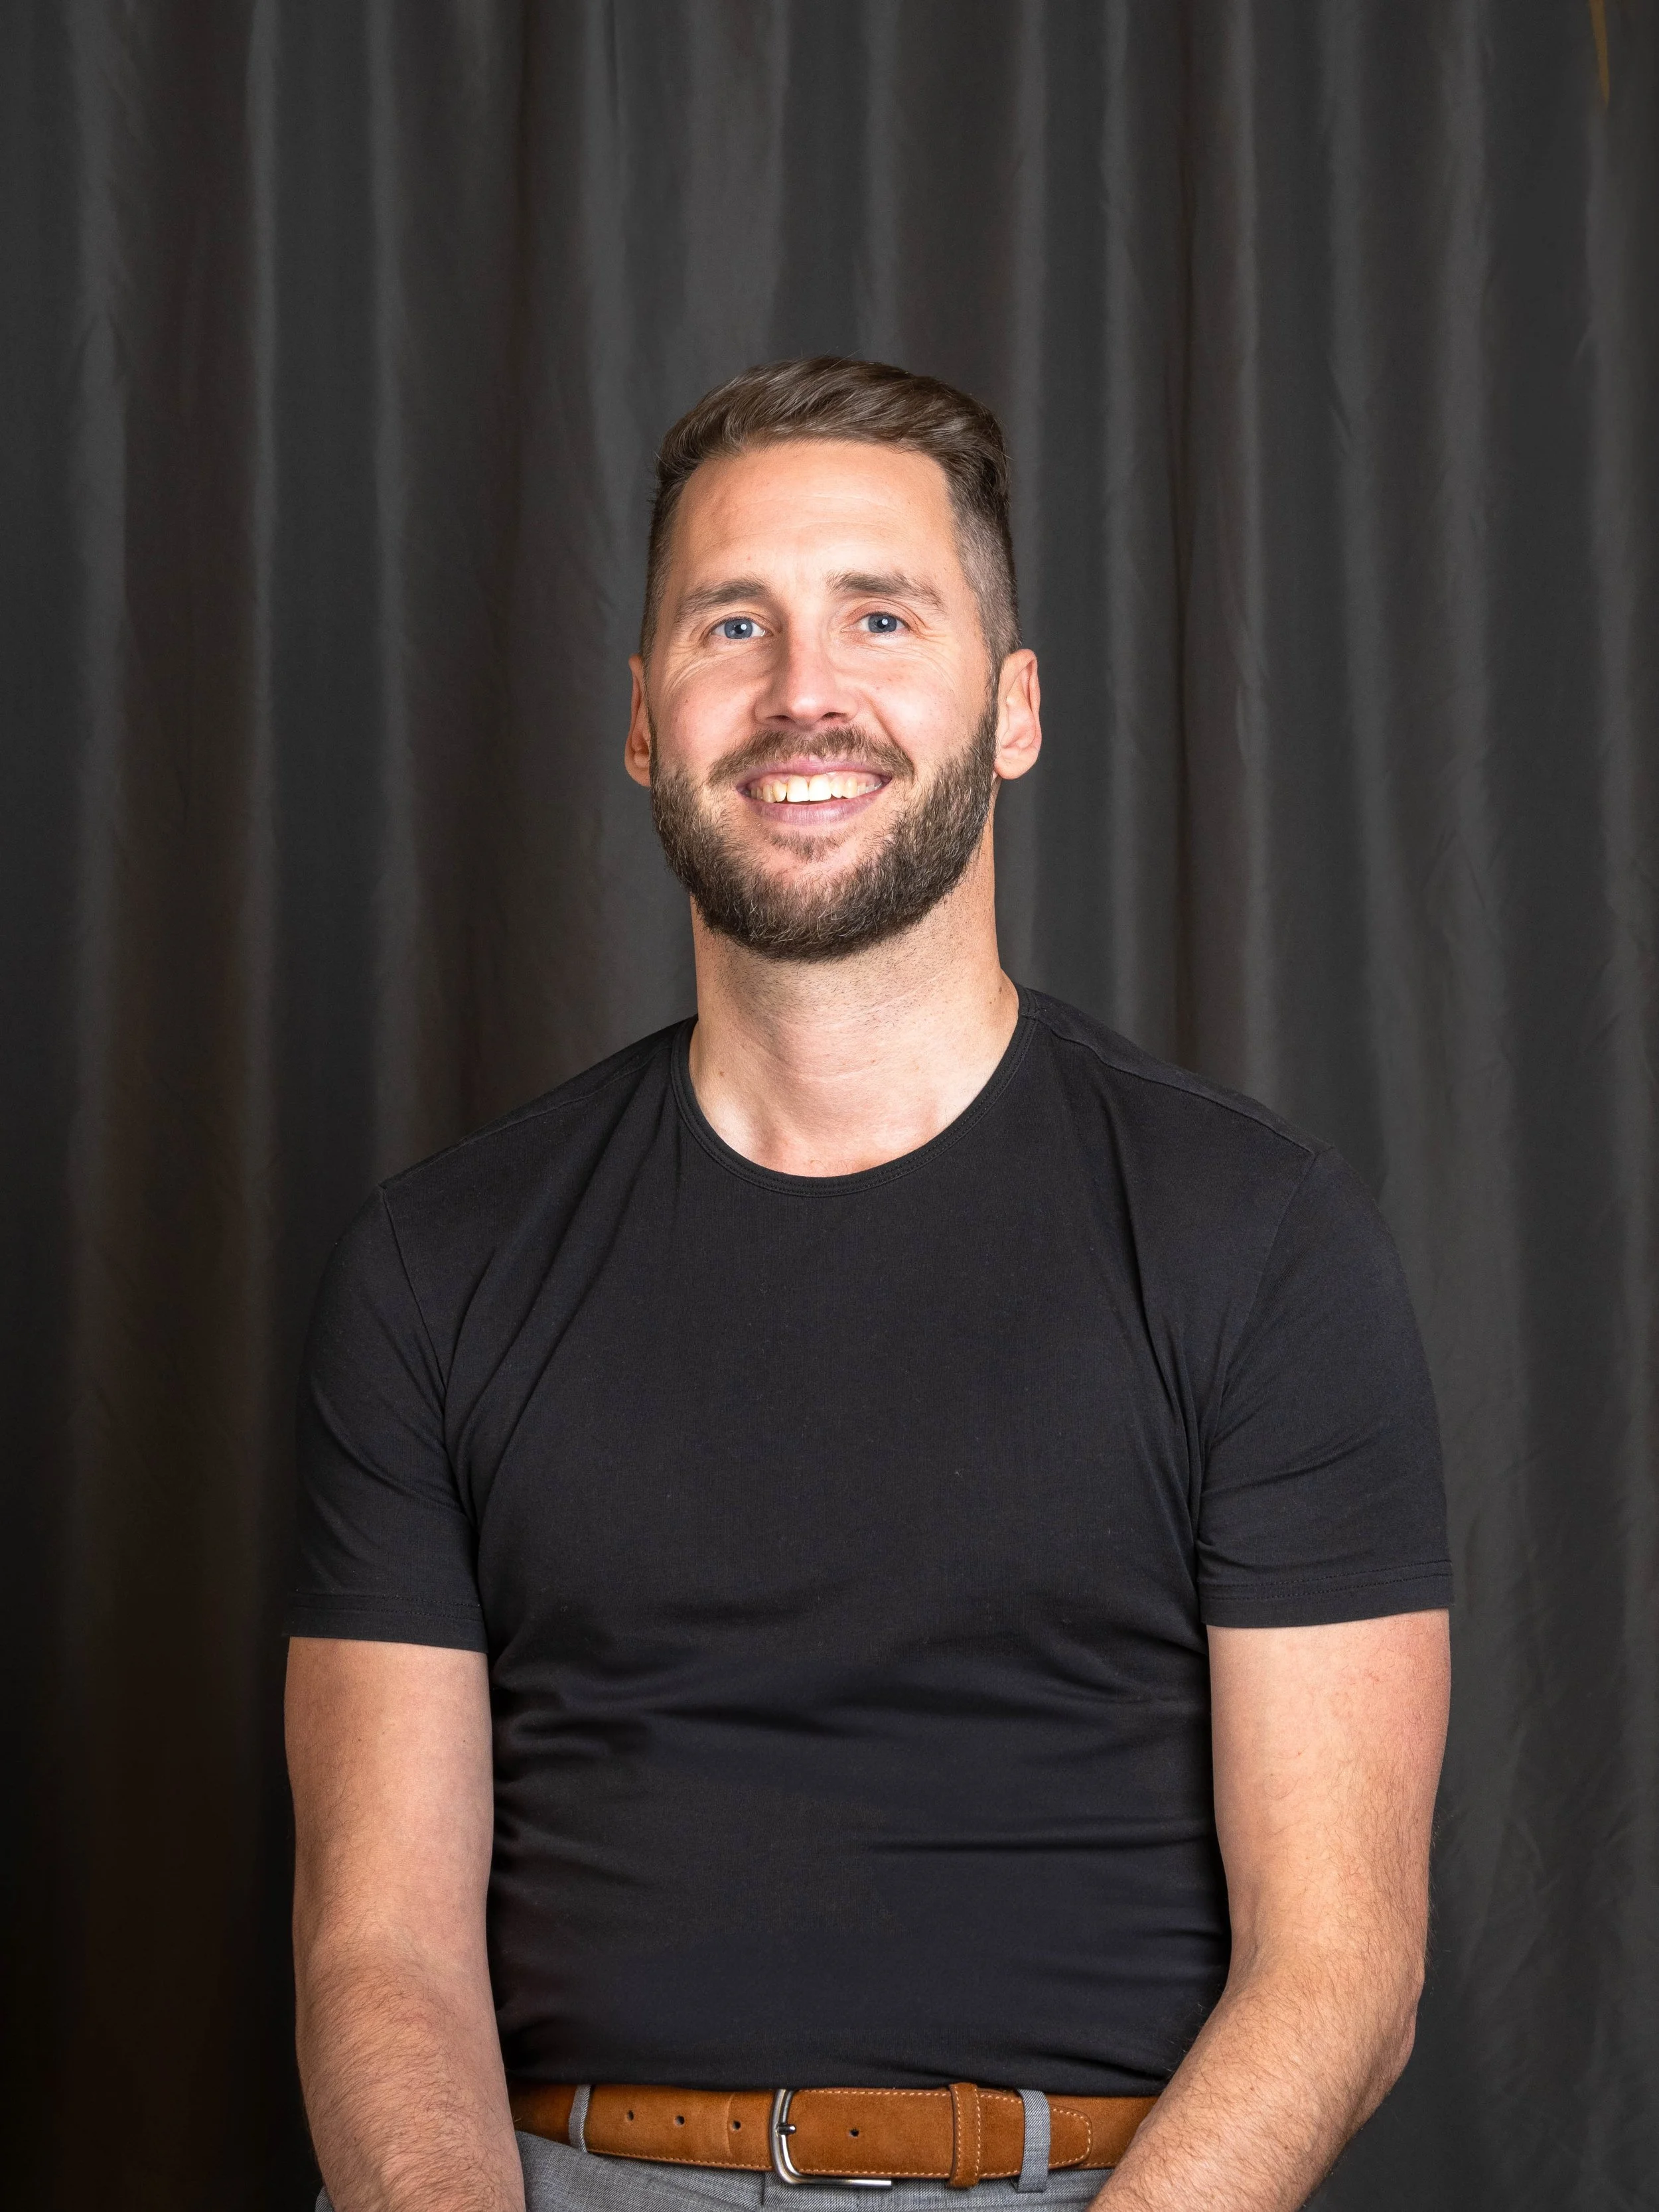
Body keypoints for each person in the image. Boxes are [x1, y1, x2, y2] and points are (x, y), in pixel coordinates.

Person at [287, 357, 1451, 2212]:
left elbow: (1341, 1974)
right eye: (730, 622)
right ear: (647, 725)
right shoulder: (436, 1264)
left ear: (1012, 709)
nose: (802, 691)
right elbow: (380, 1955)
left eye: (880, 615)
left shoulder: (1257, 1237)